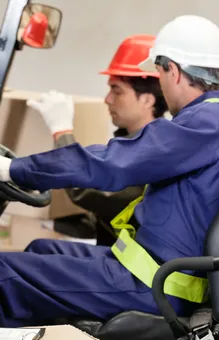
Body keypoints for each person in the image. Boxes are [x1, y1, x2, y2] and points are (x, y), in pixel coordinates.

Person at [0, 15, 219, 328]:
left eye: (160, 72)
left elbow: (112, 163)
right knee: (40, 249)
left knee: (4, 273)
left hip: (156, 283)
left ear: (174, 71)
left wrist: (13, 169)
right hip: (152, 269)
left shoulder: (208, 123)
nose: (161, 83)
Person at [30, 34, 168, 245]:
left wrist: (62, 131)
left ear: (147, 100)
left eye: (117, 90)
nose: (107, 99)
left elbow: (90, 190)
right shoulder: (130, 144)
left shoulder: (153, 154)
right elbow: (107, 217)